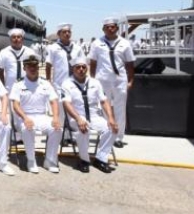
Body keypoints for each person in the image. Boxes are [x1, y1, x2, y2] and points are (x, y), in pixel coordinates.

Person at [62, 56, 118, 173]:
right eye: (78, 67)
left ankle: (100, 159)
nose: (81, 69)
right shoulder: (67, 84)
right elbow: (67, 104)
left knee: (112, 128)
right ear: (73, 69)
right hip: (76, 116)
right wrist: (78, 119)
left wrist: (111, 118)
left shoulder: (95, 82)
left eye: (83, 67)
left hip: (94, 116)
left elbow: (103, 101)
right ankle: (84, 160)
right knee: (84, 129)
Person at [9, 55, 62, 174]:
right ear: (24, 68)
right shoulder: (18, 84)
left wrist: (55, 118)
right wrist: (25, 118)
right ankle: (31, 160)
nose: (32, 68)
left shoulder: (45, 83)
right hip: (24, 116)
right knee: (28, 128)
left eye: (35, 66)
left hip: (42, 116)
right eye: (29, 66)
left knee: (57, 128)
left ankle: (49, 160)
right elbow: (15, 105)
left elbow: (54, 101)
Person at [89, 17, 135, 148]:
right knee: (103, 108)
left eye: (113, 26)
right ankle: (107, 133)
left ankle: (119, 136)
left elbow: (130, 63)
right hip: (102, 80)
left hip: (120, 80)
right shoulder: (97, 43)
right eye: (107, 27)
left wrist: (131, 80)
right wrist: (92, 80)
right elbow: (93, 63)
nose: (110, 29)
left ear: (117, 28)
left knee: (120, 108)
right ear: (103, 29)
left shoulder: (125, 43)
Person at [45, 23, 84, 137]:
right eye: (64, 32)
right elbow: (48, 65)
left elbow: (82, 64)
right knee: (62, 110)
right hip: (60, 83)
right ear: (59, 34)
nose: (67, 34)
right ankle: (64, 135)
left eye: (69, 32)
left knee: (75, 108)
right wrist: (48, 80)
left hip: (75, 83)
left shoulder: (77, 48)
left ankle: (76, 133)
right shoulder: (53, 48)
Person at [0, 28, 36, 93]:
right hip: (10, 89)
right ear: (10, 39)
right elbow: (0, 71)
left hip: (26, 88)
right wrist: (3, 88)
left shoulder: (30, 52)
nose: (16, 39)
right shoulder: (4, 52)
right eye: (13, 37)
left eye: (18, 37)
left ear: (22, 39)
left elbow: (34, 70)